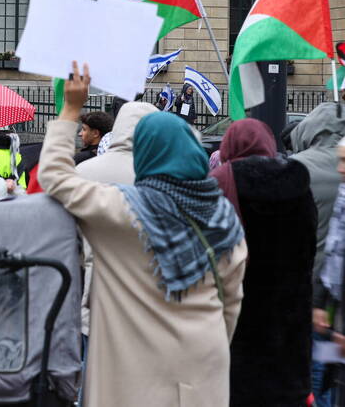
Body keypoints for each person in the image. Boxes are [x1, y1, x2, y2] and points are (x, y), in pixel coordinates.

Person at [38, 63, 246, 407]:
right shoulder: (223, 219)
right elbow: (231, 303)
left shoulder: (123, 210)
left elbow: (55, 178)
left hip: (133, 368)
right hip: (203, 359)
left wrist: (71, 109)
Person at [208, 119, 315, 407]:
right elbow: (308, 250)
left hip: (237, 323)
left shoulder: (219, 183)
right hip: (289, 322)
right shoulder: (299, 183)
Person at [74, 102, 159, 343]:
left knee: (90, 367)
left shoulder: (85, 170)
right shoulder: (160, 171)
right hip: (147, 293)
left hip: (95, 287)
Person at [293, 104, 345, 407]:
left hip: (311, 292)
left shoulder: (299, 168)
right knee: (333, 366)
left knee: (314, 366)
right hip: (335, 299)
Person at [313, 137, 345, 407]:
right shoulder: (342, 197)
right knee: (329, 378)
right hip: (333, 312)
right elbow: (334, 251)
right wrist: (321, 302)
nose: (340, 168)